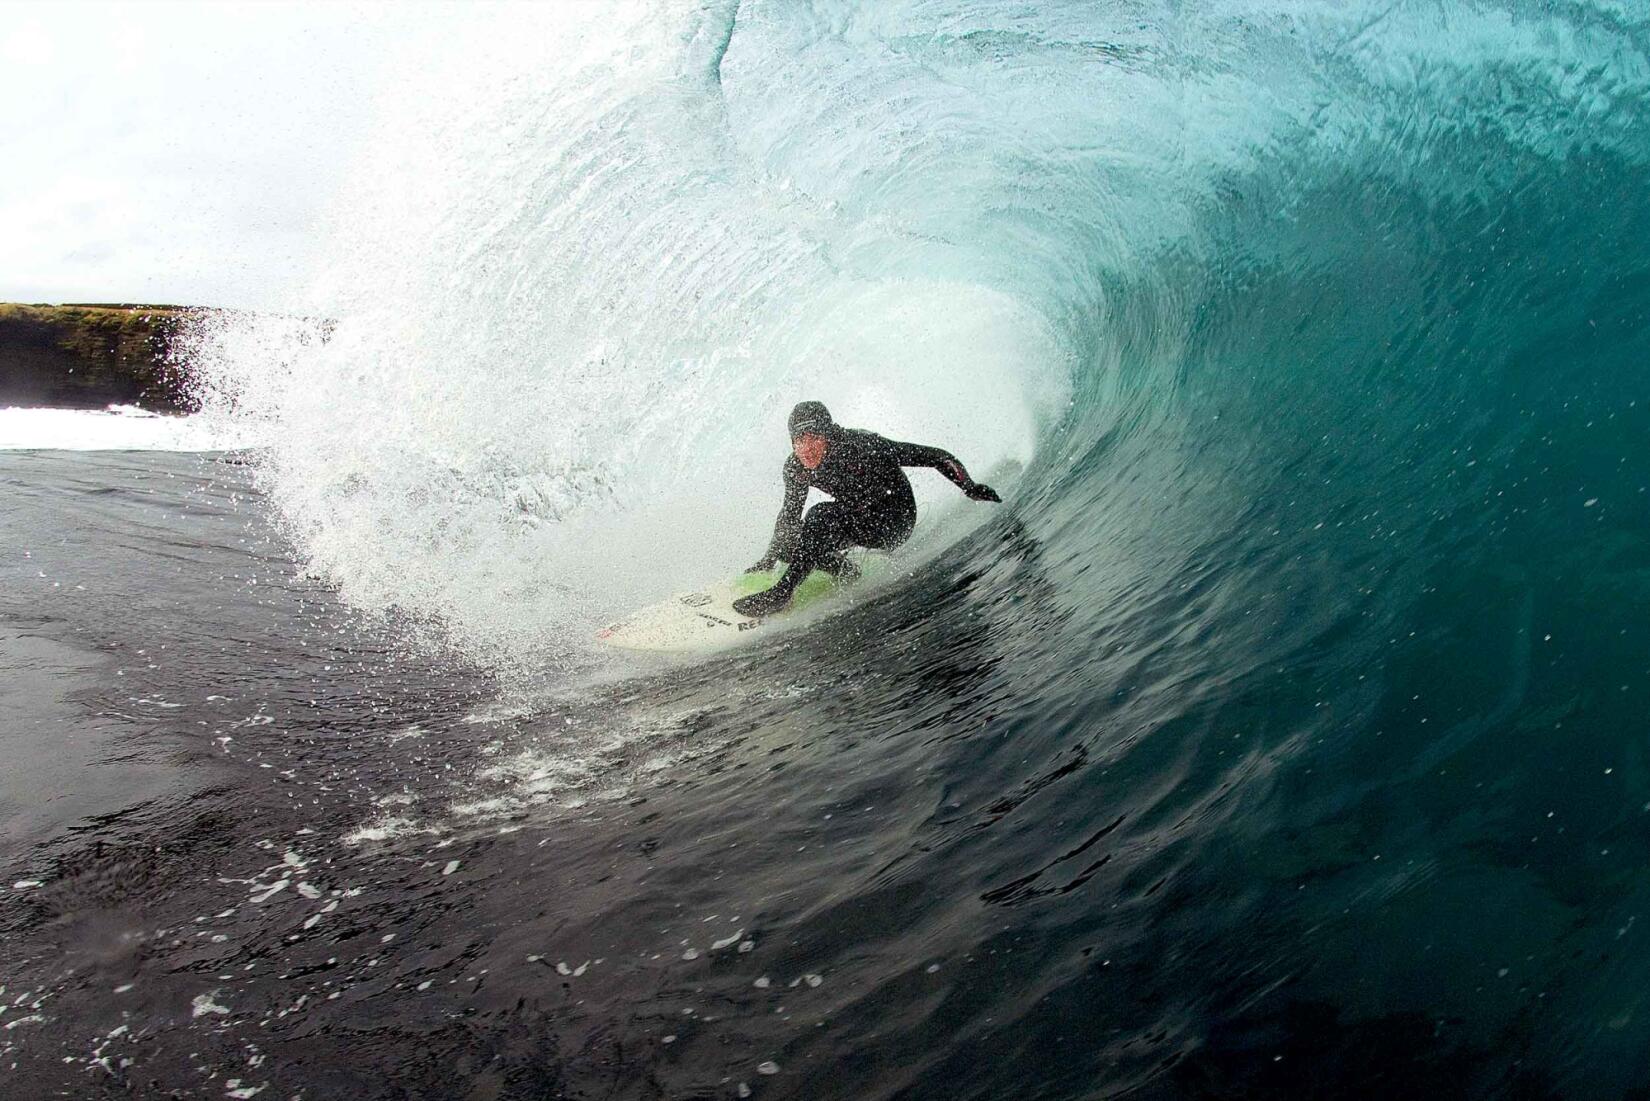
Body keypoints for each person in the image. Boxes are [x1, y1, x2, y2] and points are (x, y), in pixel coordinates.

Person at [734, 400, 1001, 617]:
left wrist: (969, 487)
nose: (806, 448)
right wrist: (770, 558)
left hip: (894, 519)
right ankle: (846, 572)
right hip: (854, 519)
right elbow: (789, 516)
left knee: (820, 515)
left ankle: (783, 593)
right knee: (789, 541)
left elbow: (934, 457)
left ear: (828, 433)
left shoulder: (862, 446)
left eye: (813, 436)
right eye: (798, 439)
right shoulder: (796, 468)